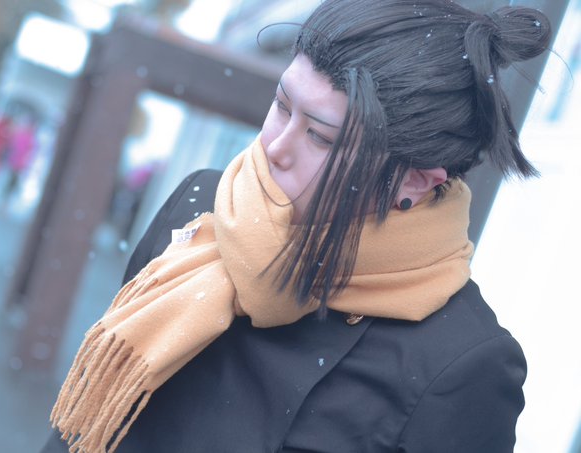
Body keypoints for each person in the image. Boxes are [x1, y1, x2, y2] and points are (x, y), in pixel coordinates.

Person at [41, 0, 551, 452]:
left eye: (321, 137)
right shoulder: (202, 207)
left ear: (414, 182)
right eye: (281, 106)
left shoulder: (460, 365)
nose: (274, 147)